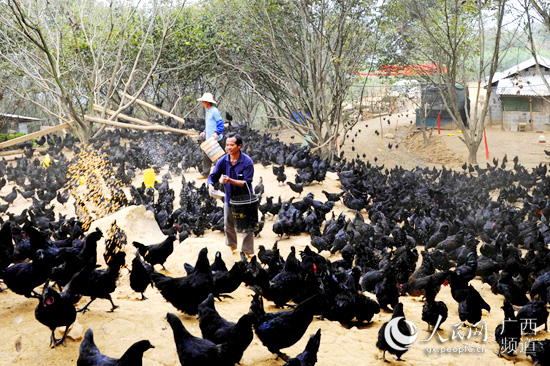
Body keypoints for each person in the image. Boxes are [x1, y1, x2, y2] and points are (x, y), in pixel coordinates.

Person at [208, 133, 255, 255]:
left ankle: (247, 251)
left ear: (239, 146)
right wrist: (210, 185)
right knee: (228, 225)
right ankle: (231, 247)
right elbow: (213, 176)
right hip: (230, 198)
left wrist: (229, 180)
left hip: (245, 199)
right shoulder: (223, 161)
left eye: (231, 145)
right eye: (227, 145)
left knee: (248, 226)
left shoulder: (247, 162)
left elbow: (246, 182)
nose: (228, 147)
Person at [197, 92, 225, 178]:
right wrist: (204, 131)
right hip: (209, 139)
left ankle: (226, 174)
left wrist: (216, 133)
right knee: (206, 156)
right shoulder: (208, 111)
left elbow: (221, 124)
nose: (202, 103)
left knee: (219, 158)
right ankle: (205, 173)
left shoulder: (215, 111)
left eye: (203, 101)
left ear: (207, 102)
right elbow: (209, 124)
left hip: (216, 139)